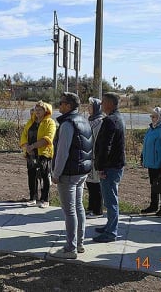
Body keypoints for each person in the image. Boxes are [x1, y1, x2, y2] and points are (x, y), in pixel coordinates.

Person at [50, 92, 93, 259]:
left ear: (68, 106)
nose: (59, 106)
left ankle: (70, 249)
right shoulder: (84, 121)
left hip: (68, 173)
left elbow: (62, 153)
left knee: (69, 211)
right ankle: (80, 243)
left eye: (61, 103)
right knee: (78, 207)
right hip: (81, 171)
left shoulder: (68, 124)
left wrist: (56, 173)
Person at [93, 92, 126, 243]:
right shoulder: (118, 118)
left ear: (111, 104)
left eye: (103, 102)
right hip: (115, 165)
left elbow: (106, 146)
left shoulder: (110, 121)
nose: (101, 105)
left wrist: (100, 167)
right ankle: (109, 226)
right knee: (110, 198)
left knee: (111, 200)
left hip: (110, 166)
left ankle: (111, 232)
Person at [20, 101, 56, 208]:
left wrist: (33, 146)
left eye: (40, 110)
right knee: (31, 175)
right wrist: (27, 147)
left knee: (45, 175)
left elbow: (48, 138)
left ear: (46, 111)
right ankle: (33, 198)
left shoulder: (50, 122)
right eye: (36, 109)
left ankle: (45, 199)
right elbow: (24, 135)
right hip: (31, 154)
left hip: (44, 154)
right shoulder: (30, 122)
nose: (37, 112)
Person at [140, 107, 161, 217]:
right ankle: (153, 206)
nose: (152, 118)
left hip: (160, 163)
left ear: (160, 117)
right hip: (151, 162)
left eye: (154, 116)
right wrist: (143, 156)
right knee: (154, 185)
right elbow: (146, 143)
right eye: (151, 116)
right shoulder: (152, 128)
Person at [85, 97, 104, 218]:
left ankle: (98, 210)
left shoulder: (100, 122)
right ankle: (91, 207)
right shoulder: (90, 120)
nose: (88, 108)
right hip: (88, 156)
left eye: (90, 106)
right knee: (90, 183)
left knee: (96, 184)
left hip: (95, 157)